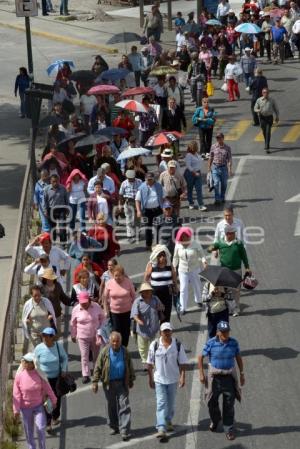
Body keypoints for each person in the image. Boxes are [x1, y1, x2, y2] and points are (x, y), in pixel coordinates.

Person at [198, 321, 245, 441]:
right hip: (214, 378)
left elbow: (238, 357)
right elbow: (200, 357)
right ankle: (215, 420)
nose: (225, 334)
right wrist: (201, 373)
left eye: (227, 331)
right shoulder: (211, 343)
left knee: (229, 404)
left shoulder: (233, 343)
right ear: (218, 332)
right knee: (211, 402)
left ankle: (228, 428)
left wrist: (242, 374)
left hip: (229, 377)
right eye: (223, 332)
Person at [147, 322, 188, 441]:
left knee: (170, 404)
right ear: (160, 332)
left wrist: (182, 376)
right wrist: (150, 379)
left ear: (171, 332)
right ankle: (161, 428)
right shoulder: (154, 345)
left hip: (173, 379)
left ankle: (168, 420)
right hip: (159, 380)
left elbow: (183, 362)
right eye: (164, 331)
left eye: (168, 331)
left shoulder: (177, 344)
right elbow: (149, 364)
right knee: (161, 403)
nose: (166, 333)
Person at [92, 331, 135, 441]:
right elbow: (98, 367)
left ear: (120, 341)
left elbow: (130, 365)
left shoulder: (125, 351)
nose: (115, 343)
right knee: (111, 405)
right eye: (113, 341)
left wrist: (131, 379)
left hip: (122, 382)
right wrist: (95, 382)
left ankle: (124, 429)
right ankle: (113, 426)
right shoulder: (105, 352)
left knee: (124, 405)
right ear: (110, 341)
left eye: (117, 341)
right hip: (109, 383)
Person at [13, 353, 57, 449]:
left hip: (38, 406)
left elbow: (48, 388)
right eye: (24, 361)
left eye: (28, 362)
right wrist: (16, 410)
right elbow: (16, 394)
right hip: (25, 408)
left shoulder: (40, 375)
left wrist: (54, 400)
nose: (25, 363)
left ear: (34, 363)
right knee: (29, 431)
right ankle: (31, 447)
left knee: (41, 428)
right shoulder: (19, 376)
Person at [208, 225, 251, 316]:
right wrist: (211, 249)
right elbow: (211, 247)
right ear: (227, 234)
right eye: (232, 233)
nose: (234, 234)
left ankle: (236, 309)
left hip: (236, 270)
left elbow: (244, 256)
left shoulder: (238, 243)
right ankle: (227, 308)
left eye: (234, 233)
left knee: (236, 290)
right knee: (225, 290)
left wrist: (247, 267)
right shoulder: (220, 243)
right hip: (224, 270)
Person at [34, 327, 68, 432]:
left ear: (52, 337)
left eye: (47, 336)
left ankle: (55, 417)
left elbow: (65, 358)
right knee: (46, 400)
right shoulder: (38, 348)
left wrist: (63, 369)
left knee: (57, 398)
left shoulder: (58, 346)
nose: (44, 337)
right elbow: (34, 361)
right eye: (43, 335)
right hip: (44, 379)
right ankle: (48, 423)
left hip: (57, 378)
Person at [70, 291, 105, 383]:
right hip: (82, 336)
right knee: (84, 355)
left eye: (85, 302)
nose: (84, 304)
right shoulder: (76, 309)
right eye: (82, 303)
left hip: (95, 335)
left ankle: (97, 372)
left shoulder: (96, 306)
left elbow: (103, 318)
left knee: (96, 355)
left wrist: (101, 329)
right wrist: (73, 335)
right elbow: (73, 323)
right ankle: (85, 374)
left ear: (89, 300)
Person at [173, 227, 207, 314]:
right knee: (183, 288)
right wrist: (173, 267)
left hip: (194, 269)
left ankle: (198, 300)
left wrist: (204, 262)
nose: (185, 238)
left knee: (197, 285)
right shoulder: (178, 245)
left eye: (186, 236)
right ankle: (182, 307)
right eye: (183, 236)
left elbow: (202, 255)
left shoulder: (195, 244)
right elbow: (175, 257)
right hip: (182, 270)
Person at [131, 282, 164, 366]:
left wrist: (160, 307)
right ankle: (145, 362)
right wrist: (138, 320)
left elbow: (162, 307)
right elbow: (134, 314)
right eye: (145, 291)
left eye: (148, 291)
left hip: (154, 327)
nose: (147, 292)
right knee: (142, 348)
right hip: (142, 330)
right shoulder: (137, 302)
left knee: (155, 346)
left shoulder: (155, 299)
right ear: (141, 292)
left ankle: (155, 361)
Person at [103, 265, 136, 347]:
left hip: (127, 311)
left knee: (126, 332)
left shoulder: (128, 282)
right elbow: (105, 298)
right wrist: (106, 310)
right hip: (114, 312)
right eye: (115, 276)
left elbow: (134, 296)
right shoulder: (109, 283)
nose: (117, 277)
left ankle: (124, 348)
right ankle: (117, 348)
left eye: (119, 275)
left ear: (123, 274)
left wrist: (135, 310)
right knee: (116, 331)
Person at [144, 244, 177, 322]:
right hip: (155, 294)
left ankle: (165, 329)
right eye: (160, 255)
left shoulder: (169, 265)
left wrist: (175, 286)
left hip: (167, 292)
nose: (162, 257)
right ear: (157, 257)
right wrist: (147, 290)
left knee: (167, 311)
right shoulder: (151, 265)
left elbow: (174, 275)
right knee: (156, 312)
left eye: (164, 255)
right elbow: (146, 278)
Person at [135, 172, 164, 251]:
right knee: (148, 228)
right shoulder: (142, 187)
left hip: (158, 210)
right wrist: (138, 211)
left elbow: (164, 197)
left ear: (153, 179)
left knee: (159, 227)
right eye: (147, 180)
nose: (149, 181)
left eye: (151, 179)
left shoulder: (159, 186)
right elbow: (137, 200)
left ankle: (158, 244)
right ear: (145, 179)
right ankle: (148, 245)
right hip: (147, 211)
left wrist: (164, 207)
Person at [39, 268, 71, 336]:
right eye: (48, 278)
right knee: (48, 336)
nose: (50, 280)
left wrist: (73, 301)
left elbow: (63, 297)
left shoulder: (57, 285)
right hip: (46, 317)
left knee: (57, 334)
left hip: (57, 314)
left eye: (51, 278)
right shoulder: (41, 288)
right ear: (45, 278)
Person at [42, 174, 69, 242]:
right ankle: (52, 242)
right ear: (50, 181)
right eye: (53, 181)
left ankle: (63, 243)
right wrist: (45, 211)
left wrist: (67, 209)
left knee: (62, 227)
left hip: (61, 210)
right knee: (52, 228)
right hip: (51, 210)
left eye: (57, 181)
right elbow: (44, 201)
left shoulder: (63, 188)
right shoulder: (46, 189)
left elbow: (66, 199)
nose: (55, 183)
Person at [208, 133, 233, 205]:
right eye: (217, 138)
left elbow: (229, 159)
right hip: (215, 167)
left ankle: (222, 197)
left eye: (219, 138)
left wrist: (230, 169)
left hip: (224, 168)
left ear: (223, 138)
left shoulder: (227, 148)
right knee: (216, 183)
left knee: (224, 184)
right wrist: (209, 168)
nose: (218, 139)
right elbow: (211, 157)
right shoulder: (213, 146)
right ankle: (217, 199)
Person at [118, 170, 142, 243]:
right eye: (129, 178)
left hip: (138, 202)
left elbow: (143, 191)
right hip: (128, 202)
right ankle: (130, 235)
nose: (131, 179)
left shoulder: (139, 182)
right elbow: (121, 195)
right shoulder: (124, 183)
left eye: (132, 178)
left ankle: (137, 232)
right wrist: (120, 205)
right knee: (129, 219)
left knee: (137, 219)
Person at [184, 141, 207, 211]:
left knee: (199, 189)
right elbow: (188, 166)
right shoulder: (188, 155)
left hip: (198, 173)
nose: (197, 147)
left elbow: (199, 161)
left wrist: (204, 158)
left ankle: (201, 204)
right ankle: (191, 203)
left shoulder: (197, 154)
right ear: (191, 147)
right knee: (190, 189)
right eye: (195, 146)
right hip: (190, 173)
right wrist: (194, 172)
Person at [254, 87, 279, 152]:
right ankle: (266, 142)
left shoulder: (272, 100)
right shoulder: (259, 100)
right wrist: (258, 110)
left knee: (268, 132)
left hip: (269, 118)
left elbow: (276, 109)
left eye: (267, 92)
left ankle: (267, 146)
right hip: (262, 118)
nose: (266, 94)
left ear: (269, 93)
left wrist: (277, 117)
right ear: (262, 93)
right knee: (264, 132)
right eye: (264, 92)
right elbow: (255, 108)